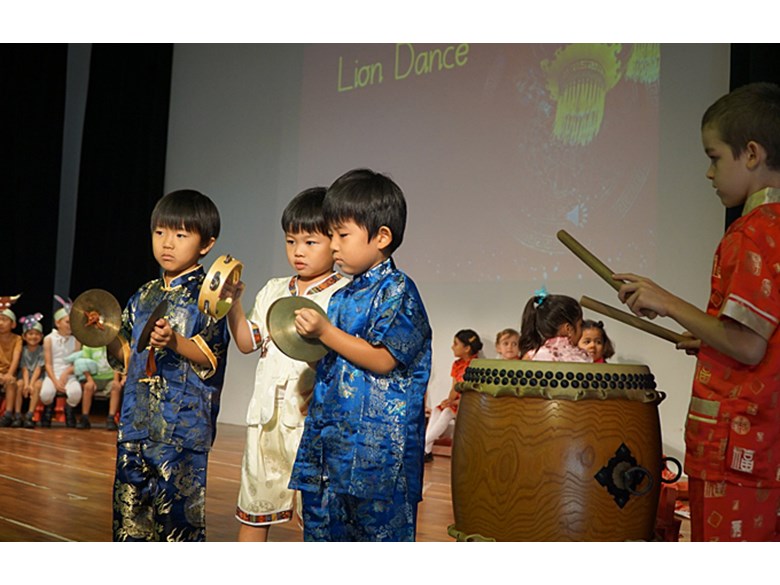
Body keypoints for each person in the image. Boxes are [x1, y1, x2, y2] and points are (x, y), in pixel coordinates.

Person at [615, 82, 780, 541]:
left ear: (751, 154)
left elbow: (747, 344)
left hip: (737, 445)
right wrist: (707, 337)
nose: (709, 174)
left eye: (714, 158)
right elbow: (760, 339)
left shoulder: (754, 233)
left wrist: (665, 300)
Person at [289, 168, 432, 541]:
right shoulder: (340, 296)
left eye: (342, 235)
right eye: (331, 235)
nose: (333, 245)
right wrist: (308, 345)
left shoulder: (398, 290)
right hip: (332, 448)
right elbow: (329, 360)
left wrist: (325, 332)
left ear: (382, 236)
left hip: (380, 458)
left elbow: (384, 359)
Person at [105, 189, 231, 542]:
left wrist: (175, 341)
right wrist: (107, 333)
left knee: (177, 529)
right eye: (160, 233)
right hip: (135, 425)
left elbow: (211, 357)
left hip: (181, 431)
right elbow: (129, 359)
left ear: (206, 244)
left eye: (180, 234)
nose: (167, 243)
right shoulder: (142, 295)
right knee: (130, 524)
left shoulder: (208, 297)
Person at [226, 187, 349, 542]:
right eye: (291, 241)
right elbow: (248, 343)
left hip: (311, 420)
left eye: (310, 242)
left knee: (314, 517)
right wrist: (234, 304)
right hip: (266, 419)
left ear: (335, 241)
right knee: (254, 509)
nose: (298, 251)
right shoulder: (274, 288)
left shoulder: (344, 293)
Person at [423, 329, 482, 462]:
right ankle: (427, 450)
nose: (452, 347)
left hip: (468, 403)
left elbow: (472, 392)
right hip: (456, 402)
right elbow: (454, 388)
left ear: (466, 348)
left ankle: (422, 444)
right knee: (438, 410)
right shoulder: (457, 364)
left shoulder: (476, 365)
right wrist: (449, 400)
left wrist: (453, 404)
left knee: (447, 413)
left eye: (456, 344)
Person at [39, 297, 82, 427]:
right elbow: (48, 363)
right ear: (58, 323)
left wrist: (66, 373)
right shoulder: (49, 339)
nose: (70, 325)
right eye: (67, 322)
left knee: (76, 393)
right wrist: (55, 380)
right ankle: (48, 409)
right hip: (52, 374)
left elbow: (76, 362)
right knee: (46, 394)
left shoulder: (76, 340)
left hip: (69, 374)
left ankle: (69, 410)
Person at [519, 291, 591, 362]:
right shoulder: (581, 356)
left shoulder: (531, 357)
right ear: (568, 328)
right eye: (580, 325)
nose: (582, 330)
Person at [13, 313, 45, 428]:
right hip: (24, 375)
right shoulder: (23, 350)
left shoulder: (42, 350)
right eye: (30, 334)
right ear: (24, 336)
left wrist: (31, 384)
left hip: (38, 375)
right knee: (19, 384)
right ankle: (17, 414)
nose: (33, 336)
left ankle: (29, 414)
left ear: (41, 336)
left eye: (37, 334)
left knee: (37, 386)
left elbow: (38, 368)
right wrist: (26, 384)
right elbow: (24, 368)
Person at [0, 307, 22, 427]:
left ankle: (8, 414)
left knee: (11, 382)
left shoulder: (17, 339)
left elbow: (16, 358)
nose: (1, 323)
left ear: (13, 324)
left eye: (4, 320)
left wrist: (9, 374)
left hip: (9, 372)